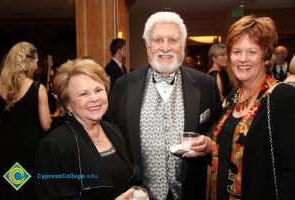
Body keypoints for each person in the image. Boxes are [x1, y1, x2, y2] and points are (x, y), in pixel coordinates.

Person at [106, 11, 222, 200]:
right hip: (138, 193)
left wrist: (209, 143)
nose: (165, 47)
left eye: (173, 40)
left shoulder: (205, 84)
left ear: (183, 46)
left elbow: (218, 127)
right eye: (158, 40)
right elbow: (110, 133)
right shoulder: (123, 85)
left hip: (190, 191)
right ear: (147, 46)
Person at [210, 15, 295, 200]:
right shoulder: (233, 97)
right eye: (237, 51)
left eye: (251, 51)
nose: (243, 59)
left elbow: (292, 168)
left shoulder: (282, 97)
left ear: (265, 56)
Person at [35, 58, 138, 200]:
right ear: (68, 104)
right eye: (84, 94)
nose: (94, 98)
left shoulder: (114, 131)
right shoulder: (54, 146)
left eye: (98, 90)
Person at [0, 41, 52, 199]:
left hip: (5, 147)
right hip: (29, 148)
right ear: (27, 62)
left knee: (10, 188)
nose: (36, 66)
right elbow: (46, 125)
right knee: (28, 189)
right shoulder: (37, 88)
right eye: (35, 61)